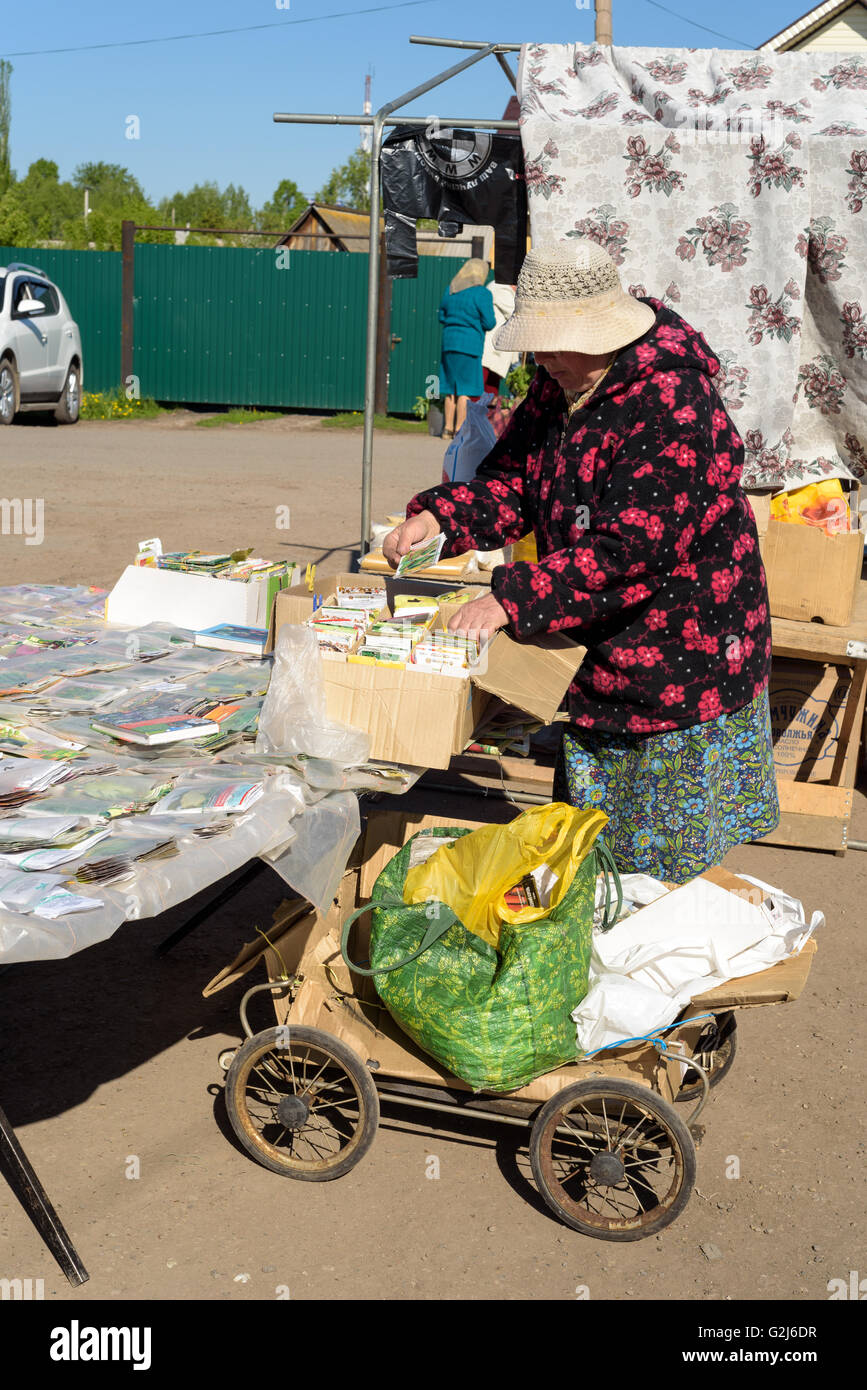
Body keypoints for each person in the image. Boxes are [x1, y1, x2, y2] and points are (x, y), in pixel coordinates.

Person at [384, 241, 780, 883]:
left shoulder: (673, 400)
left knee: (656, 872)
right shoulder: (560, 381)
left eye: (553, 341)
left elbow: (633, 549)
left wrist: (512, 599)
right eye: (535, 343)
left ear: (601, 332)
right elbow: (513, 480)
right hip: (603, 647)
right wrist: (443, 518)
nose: (540, 358)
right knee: (592, 857)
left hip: (683, 653)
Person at [437, 258, 496, 439]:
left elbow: (441, 315)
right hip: (469, 345)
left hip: (449, 343)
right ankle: (459, 430)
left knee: (450, 388)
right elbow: (490, 322)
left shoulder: (451, 289)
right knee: (466, 389)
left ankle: (447, 428)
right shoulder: (481, 293)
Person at [481, 281, 517, 396]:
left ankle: (486, 413)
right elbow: (515, 314)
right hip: (492, 348)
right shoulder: (500, 289)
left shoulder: (501, 288)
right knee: (486, 388)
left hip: (495, 349)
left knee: (490, 388)